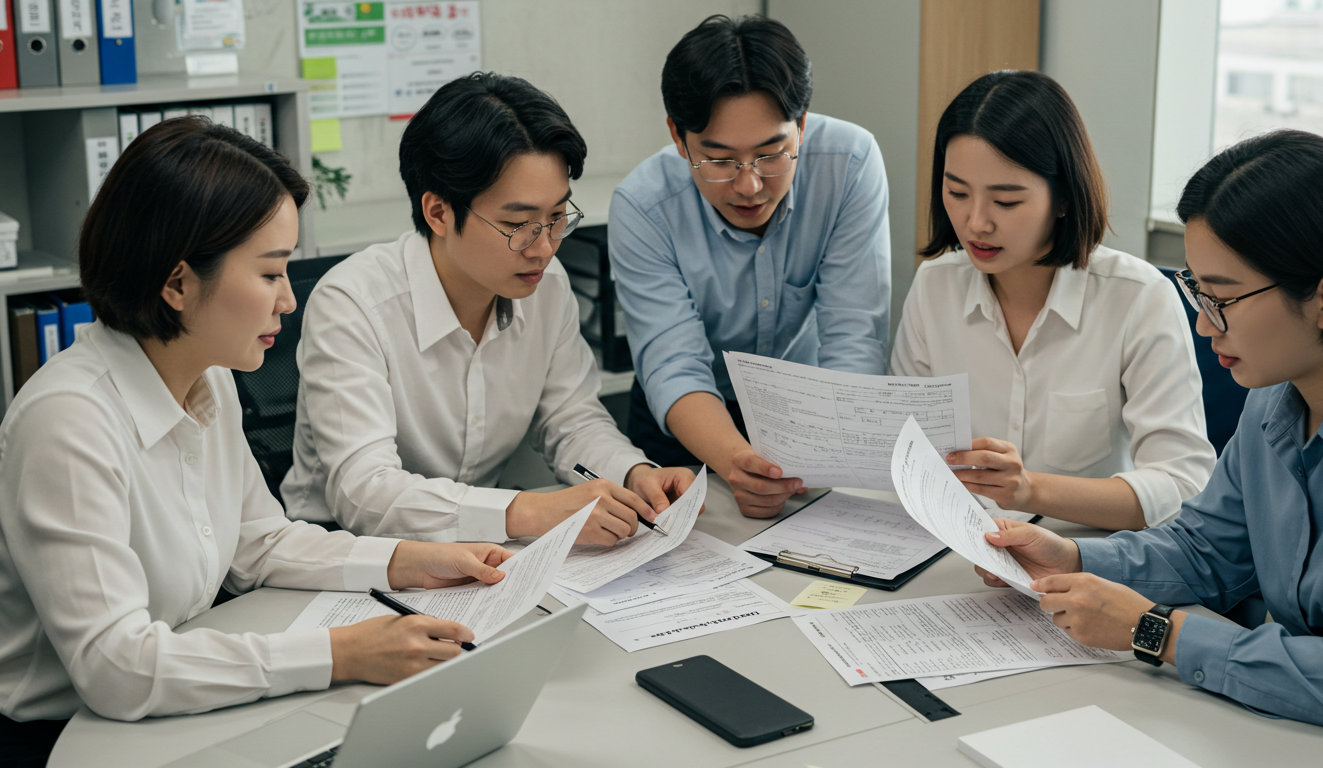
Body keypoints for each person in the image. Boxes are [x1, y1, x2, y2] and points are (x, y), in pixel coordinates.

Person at [0, 118, 515, 768]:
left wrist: (409, 560)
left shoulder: (204, 378)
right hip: (69, 739)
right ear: (179, 283)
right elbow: (116, 667)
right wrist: (344, 654)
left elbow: (257, 542)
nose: (289, 301)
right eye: (270, 274)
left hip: (176, 698)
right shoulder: (68, 423)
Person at [981, 129, 1323, 737]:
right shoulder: (1271, 402)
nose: (1206, 328)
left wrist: (1156, 631)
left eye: (1224, 299)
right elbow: (1207, 550)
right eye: (1197, 292)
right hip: (1286, 729)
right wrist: (1071, 556)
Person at [281, 73, 695, 546]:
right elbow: (363, 493)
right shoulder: (353, 303)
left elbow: (571, 420)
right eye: (518, 224)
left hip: (481, 544)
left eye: (558, 217)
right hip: (339, 552)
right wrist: (528, 511)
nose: (544, 248)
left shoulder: (548, 288)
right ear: (438, 213)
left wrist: (632, 473)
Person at [890, 70, 1215, 531]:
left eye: (1005, 202)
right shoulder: (934, 286)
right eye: (957, 192)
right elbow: (907, 451)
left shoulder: (1138, 299)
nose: (976, 222)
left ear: (1063, 198)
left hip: (1089, 564)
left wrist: (1031, 490)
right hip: (956, 549)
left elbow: (1182, 486)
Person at [610, 15, 892, 518]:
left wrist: (840, 445)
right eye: (719, 161)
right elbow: (674, 362)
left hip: (804, 408)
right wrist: (735, 459)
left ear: (801, 125)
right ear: (679, 136)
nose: (749, 186)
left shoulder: (848, 163)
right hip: (686, 419)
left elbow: (854, 332)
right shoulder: (643, 205)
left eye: (771, 155)